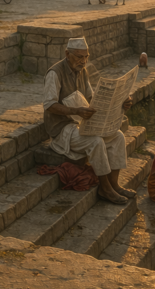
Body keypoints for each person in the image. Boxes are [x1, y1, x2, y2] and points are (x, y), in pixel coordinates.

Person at [43, 37, 134, 205]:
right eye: (79, 57)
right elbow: (49, 104)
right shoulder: (54, 73)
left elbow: (92, 98)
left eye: (86, 57)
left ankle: (114, 184)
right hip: (62, 130)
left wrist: (120, 103)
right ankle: (104, 189)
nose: (83, 61)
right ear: (67, 54)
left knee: (118, 136)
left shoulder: (82, 71)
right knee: (96, 141)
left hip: (80, 124)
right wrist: (75, 111)